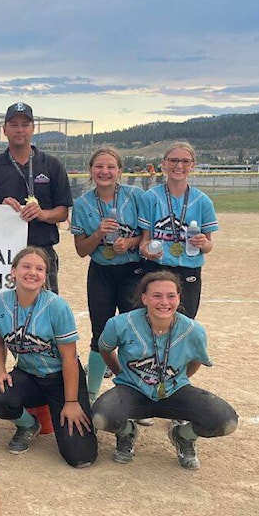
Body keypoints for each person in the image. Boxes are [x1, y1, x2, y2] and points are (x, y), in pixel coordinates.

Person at [92, 271, 238, 469]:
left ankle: (182, 435)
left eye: (171, 296)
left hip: (175, 390)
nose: (164, 302)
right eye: (156, 295)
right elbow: (105, 349)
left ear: (179, 298)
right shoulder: (121, 324)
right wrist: (122, 375)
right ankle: (127, 432)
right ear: (144, 298)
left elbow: (196, 361)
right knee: (101, 417)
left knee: (225, 421)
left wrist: (179, 380)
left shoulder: (193, 330)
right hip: (132, 390)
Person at [0, 247, 97, 467]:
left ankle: (79, 409)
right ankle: (28, 424)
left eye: (39, 268)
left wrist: (71, 402)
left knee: (81, 457)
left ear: (45, 276)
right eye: (26, 266)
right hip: (28, 374)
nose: (32, 272)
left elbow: (69, 358)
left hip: (61, 378)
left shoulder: (56, 306)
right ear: (13, 271)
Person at [70, 147, 144, 403]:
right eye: (99, 166)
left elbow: (148, 235)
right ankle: (91, 394)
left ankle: (135, 392)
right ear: (91, 171)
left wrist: (131, 242)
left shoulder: (135, 196)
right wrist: (99, 234)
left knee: (134, 332)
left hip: (133, 272)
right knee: (100, 332)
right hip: (101, 271)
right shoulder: (82, 204)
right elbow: (81, 250)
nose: (105, 171)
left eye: (111, 167)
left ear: (119, 171)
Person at [0, 102, 72, 293]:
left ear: (33, 129)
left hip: (42, 251)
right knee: (4, 311)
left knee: (46, 312)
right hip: (4, 253)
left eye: (25, 124)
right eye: (13, 125)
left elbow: (63, 211)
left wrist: (43, 214)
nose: (19, 130)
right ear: (4, 129)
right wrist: (1, 208)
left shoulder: (52, 165)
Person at [138, 141, 217, 320]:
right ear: (164, 164)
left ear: (193, 165)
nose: (179, 166)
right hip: (156, 267)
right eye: (173, 160)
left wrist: (203, 243)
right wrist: (146, 250)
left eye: (185, 161)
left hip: (189, 269)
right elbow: (144, 240)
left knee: (185, 322)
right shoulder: (150, 198)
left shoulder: (203, 201)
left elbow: (209, 245)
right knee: (153, 320)